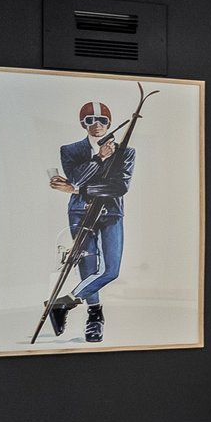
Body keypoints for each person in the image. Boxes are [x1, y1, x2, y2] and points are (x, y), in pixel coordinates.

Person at [47, 100, 137, 342]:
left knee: (111, 270)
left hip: (112, 214)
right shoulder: (70, 150)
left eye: (102, 120)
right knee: (87, 266)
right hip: (79, 213)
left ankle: (64, 302)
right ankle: (94, 316)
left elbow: (119, 187)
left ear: (109, 123)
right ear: (82, 123)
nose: (96, 125)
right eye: (90, 120)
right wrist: (97, 159)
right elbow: (75, 177)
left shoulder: (125, 152)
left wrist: (76, 190)